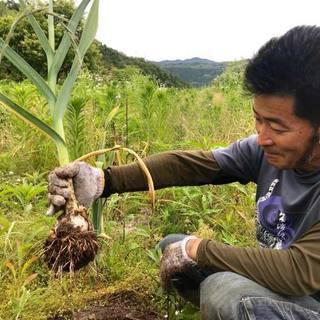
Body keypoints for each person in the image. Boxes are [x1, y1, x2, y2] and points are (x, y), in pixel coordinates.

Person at [47, 25, 320, 319]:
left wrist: (198, 248)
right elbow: (192, 165)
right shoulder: (265, 150)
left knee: (224, 292)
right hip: (288, 288)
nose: (262, 136)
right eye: (258, 119)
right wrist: (105, 180)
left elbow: (299, 271)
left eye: (277, 127)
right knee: (173, 248)